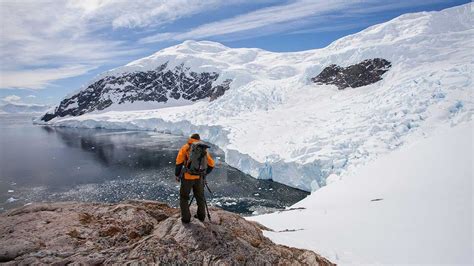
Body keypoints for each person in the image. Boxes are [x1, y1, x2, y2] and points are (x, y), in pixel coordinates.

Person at [175, 133, 215, 223]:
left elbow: (179, 162)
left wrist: (177, 175)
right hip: (199, 178)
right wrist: (204, 174)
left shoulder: (186, 147)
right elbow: (211, 164)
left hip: (187, 177)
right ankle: (201, 217)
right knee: (200, 197)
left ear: (190, 138)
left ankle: (186, 218)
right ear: (199, 139)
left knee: (184, 197)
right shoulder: (203, 149)